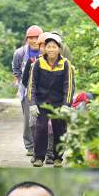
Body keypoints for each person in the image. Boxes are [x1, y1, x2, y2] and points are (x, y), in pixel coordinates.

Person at [28, 34, 74, 168]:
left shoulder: (65, 64)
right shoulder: (38, 63)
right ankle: (39, 158)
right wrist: (32, 103)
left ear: (59, 48)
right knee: (41, 128)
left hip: (58, 103)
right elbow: (32, 84)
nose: (51, 49)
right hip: (42, 103)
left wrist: (66, 104)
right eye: (49, 47)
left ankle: (58, 158)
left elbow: (69, 85)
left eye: (54, 47)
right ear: (44, 48)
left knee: (59, 129)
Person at [21, 32, 55, 165]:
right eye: (42, 46)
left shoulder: (59, 62)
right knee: (33, 124)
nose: (44, 48)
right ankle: (37, 152)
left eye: (46, 46)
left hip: (52, 101)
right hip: (37, 100)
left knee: (51, 126)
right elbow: (25, 80)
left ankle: (50, 153)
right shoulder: (33, 61)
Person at [12, 25, 43, 158]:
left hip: (43, 90)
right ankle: (30, 146)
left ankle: (43, 146)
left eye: (37, 38)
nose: (34, 40)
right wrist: (21, 83)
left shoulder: (46, 52)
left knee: (43, 120)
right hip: (27, 91)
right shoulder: (20, 53)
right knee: (27, 120)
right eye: (31, 38)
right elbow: (16, 70)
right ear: (27, 39)